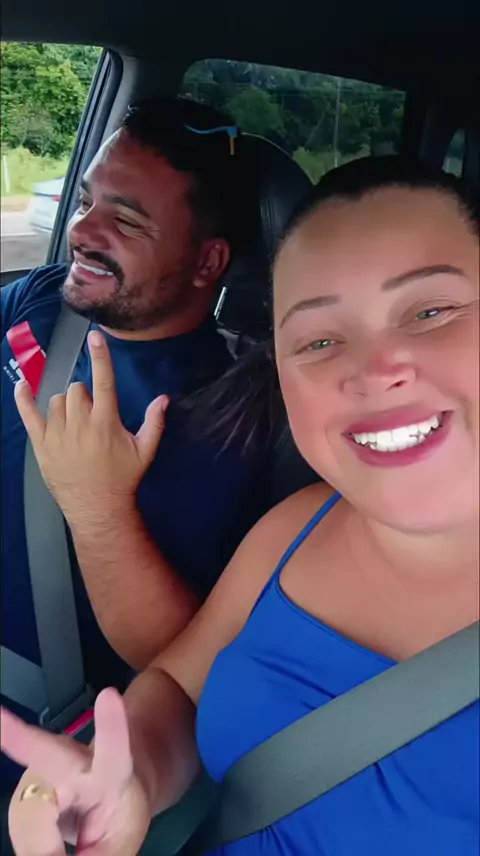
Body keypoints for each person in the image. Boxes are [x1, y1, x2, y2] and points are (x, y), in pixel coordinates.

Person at [2, 155, 479, 856]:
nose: (374, 372)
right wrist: (125, 778)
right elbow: (177, 685)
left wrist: (98, 510)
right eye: (319, 340)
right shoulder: (299, 524)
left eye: (431, 312)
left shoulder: (215, 439)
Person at [0, 97, 269, 791]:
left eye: (125, 221)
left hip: (27, 725)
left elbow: (178, 664)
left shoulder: (219, 419)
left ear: (207, 262)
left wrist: (98, 509)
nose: (82, 231)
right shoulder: (42, 298)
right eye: (86, 201)